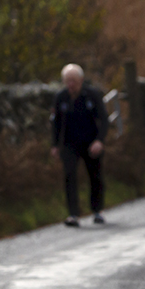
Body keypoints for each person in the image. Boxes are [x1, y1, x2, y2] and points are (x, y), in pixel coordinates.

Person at [51, 63, 109, 227]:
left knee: (95, 176)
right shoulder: (60, 98)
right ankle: (73, 214)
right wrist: (55, 145)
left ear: (81, 80)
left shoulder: (92, 95)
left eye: (74, 81)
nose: (71, 84)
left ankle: (97, 210)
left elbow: (104, 119)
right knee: (69, 176)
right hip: (70, 144)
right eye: (67, 81)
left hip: (91, 142)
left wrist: (99, 140)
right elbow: (56, 123)